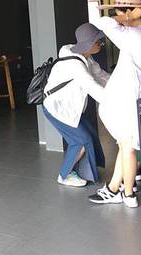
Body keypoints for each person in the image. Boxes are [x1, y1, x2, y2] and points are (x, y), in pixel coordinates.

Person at [88, 0, 141, 208]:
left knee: (127, 147)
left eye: (120, 11)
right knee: (126, 146)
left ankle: (128, 193)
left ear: (131, 12)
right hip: (135, 98)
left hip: (125, 100)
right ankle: (114, 187)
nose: (118, 16)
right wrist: (131, 16)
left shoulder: (133, 36)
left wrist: (129, 16)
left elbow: (100, 22)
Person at [42, 23, 109, 187]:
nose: (101, 43)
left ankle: (86, 171)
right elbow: (92, 86)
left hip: (69, 108)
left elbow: (101, 76)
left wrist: (122, 84)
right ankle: (64, 176)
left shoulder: (86, 57)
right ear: (89, 43)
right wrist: (114, 100)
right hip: (56, 108)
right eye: (98, 41)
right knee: (81, 140)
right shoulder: (75, 65)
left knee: (90, 134)